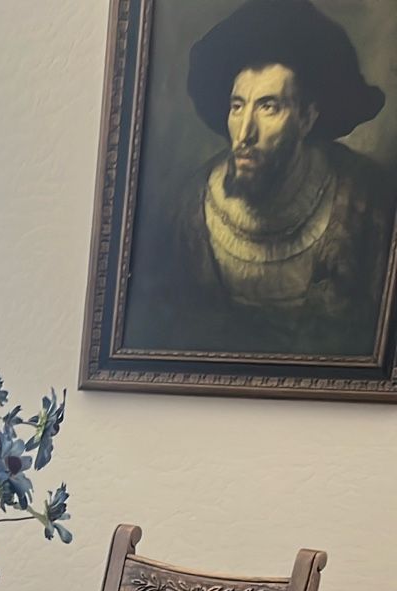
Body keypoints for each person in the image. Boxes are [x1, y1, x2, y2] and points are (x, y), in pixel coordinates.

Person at [139, 0, 395, 355]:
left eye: (269, 107)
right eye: (237, 106)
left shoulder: (364, 200)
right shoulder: (190, 209)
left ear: (306, 118)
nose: (244, 133)